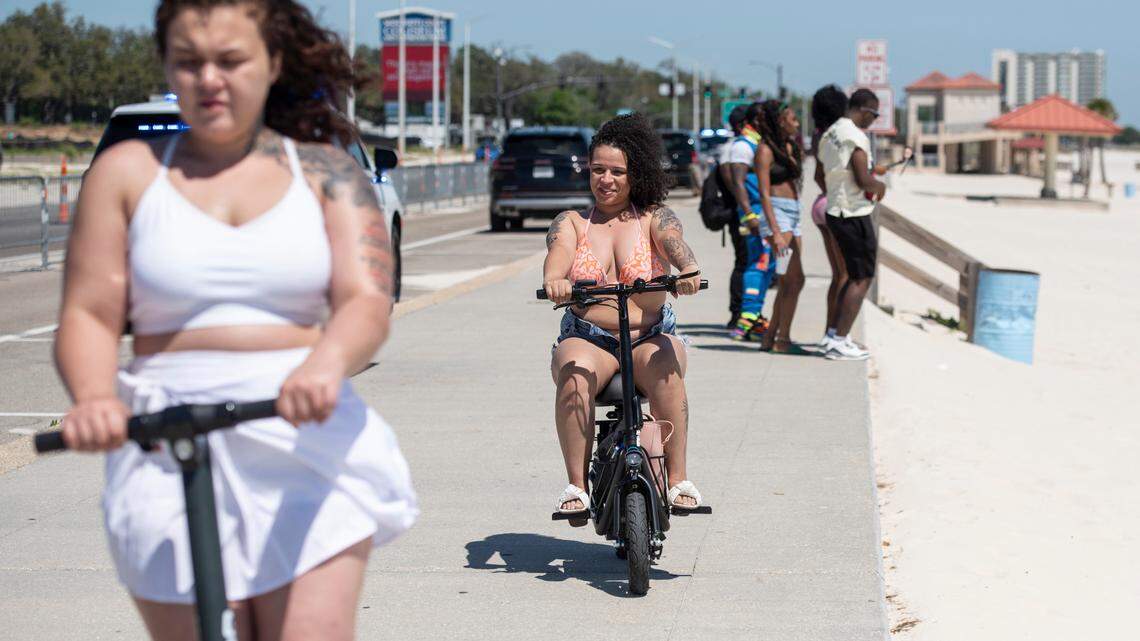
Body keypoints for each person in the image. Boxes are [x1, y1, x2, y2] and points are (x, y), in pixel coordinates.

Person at [54, 1, 418, 638]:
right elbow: (88, 311)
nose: (209, 80)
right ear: (167, 65)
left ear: (273, 63)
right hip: (166, 434)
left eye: (231, 60)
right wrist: (91, 398)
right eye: (188, 63)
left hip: (300, 427)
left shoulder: (328, 173)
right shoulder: (126, 173)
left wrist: (326, 365)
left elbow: (365, 300)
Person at [543, 112, 704, 517]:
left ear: (636, 173)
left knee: (666, 363)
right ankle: (577, 486)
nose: (606, 179)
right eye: (598, 169)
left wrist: (688, 271)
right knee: (574, 370)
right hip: (589, 337)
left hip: (647, 336)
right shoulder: (574, 223)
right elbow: (556, 256)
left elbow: (675, 244)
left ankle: (679, 477)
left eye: (617, 171)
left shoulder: (654, 217)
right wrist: (555, 281)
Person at [818, 88, 887, 360]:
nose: (875, 120)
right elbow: (863, 179)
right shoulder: (855, 136)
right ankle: (839, 339)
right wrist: (879, 186)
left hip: (835, 208)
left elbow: (823, 173)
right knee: (862, 276)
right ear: (864, 108)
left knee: (848, 274)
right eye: (875, 114)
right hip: (853, 213)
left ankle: (833, 334)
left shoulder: (830, 133)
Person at [752, 100, 806, 354]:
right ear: (780, 120)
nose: (797, 122)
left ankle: (772, 336)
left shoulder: (789, 146)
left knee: (793, 281)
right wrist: (774, 231)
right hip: (777, 214)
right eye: (793, 118)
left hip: (794, 214)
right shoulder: (765, 150)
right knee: (790, 280)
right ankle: (781, 339)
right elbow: (763, 192)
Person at [724, 102, 776, 341]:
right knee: (758, 263)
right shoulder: (743, 147)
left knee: (768, 265)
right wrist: (749, 214)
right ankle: (747, 318)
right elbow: (738, 183)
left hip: (765, 213)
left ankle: (754, 317)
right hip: (754, 214)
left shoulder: (757, 143)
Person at [809, 85, 850, 349]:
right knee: (846, 275)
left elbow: (816, 175)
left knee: (838, 274)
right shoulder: (839, 136)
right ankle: (836, 334)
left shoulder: (817, 136)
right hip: (835, 205)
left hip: (819, 205)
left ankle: (830, 331)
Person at [717, 104, 749, 328]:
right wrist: (746, 207)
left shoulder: (728, 148)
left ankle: (739, 312)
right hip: (741, 214)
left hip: (739, 212)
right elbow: (732, 182)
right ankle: (738, 312)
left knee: (744, 261)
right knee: (744, 262)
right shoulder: (734, 149)